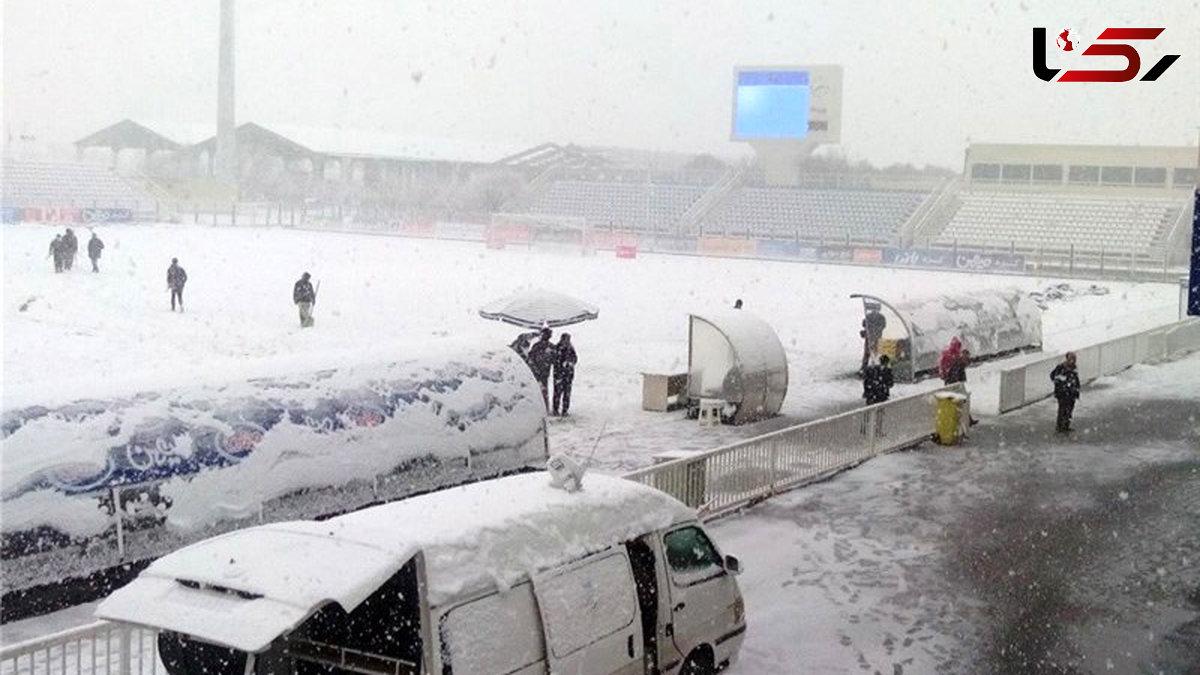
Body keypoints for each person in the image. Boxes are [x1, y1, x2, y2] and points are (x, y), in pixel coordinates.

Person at [1050, 352, 1081, 433]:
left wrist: (1077, 390)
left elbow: (1076, 380)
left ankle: (1066, 425)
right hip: (1063, 393)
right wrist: (1061, 383)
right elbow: (1053, 376)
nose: (1073, 361)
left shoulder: (1074, 369)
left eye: (1074, 359)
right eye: (1071, 359)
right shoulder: (1061, 367)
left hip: (1071, 393)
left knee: (1069, 409)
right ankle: (1060, 426)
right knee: (1062, 409)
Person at [526, 328, 556, 408]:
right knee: (539, 390)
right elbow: (530, 358)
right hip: (537, 371)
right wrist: (534, 368)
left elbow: (555, 359)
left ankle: (543, 407)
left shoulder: (550, 346)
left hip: (544, 372)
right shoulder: (538, 346)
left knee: (543, 390)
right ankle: (540, 407)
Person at [551, 333, 577, 416]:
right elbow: (554, 360)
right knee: (557, 393)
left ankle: (565, 410)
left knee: (567, 393)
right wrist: (561, 365)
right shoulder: (557, 348)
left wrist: (570, 363)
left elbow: (575, 358)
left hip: (568, 375)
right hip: (559, 375)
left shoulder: (570, 349)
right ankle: (555, 409)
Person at [861, 307, 887, 373]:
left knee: (868, 352)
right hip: (876, 336)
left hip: (870, 336)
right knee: (875, 352)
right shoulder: (881, 317)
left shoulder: (869, 316)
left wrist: (870, 328)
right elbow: (883, 325)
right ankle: (876, 366)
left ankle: (865, 366)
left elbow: (864, 324)